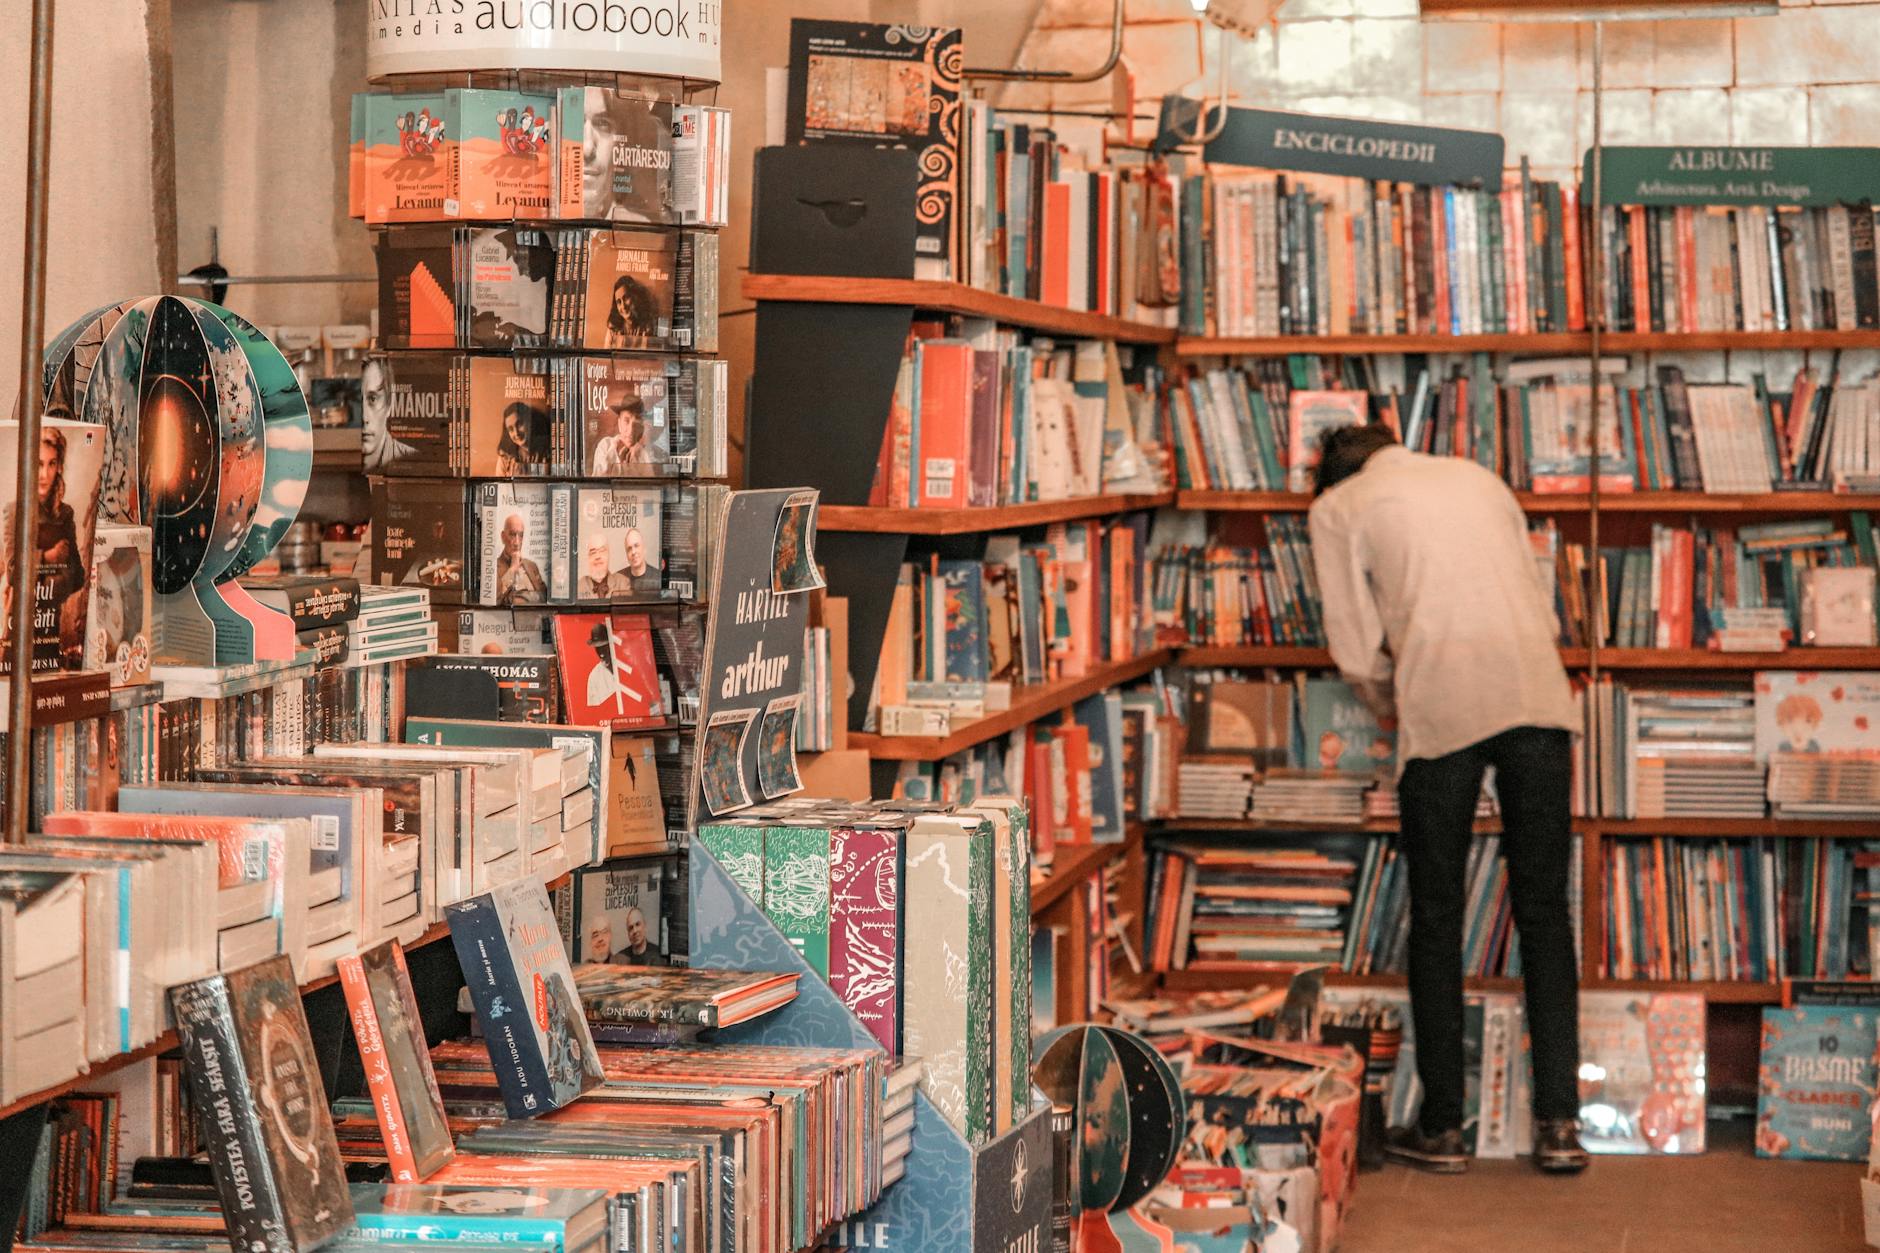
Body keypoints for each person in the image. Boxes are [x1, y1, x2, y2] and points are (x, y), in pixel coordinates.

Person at [1307, 424, 1587, 1176]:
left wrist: (1384, 699)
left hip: (1441, 710)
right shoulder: (1478, 474)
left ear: (1330, 475)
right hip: (1538, 697)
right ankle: (1560, 1124)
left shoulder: (1338, 507)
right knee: (1545, 911)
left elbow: (1354, 643)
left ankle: (1443, 1130)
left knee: (1435, 916)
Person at [360, 357, 414, 470]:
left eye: (373, 399)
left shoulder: (412, 459)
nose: (364, 417)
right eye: (356, 399)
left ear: (390, 403)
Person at [493, 513, 545, 606]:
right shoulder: (493, 567)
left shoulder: (531, 566)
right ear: (503, 537)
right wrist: (512, 569)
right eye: (512, 535)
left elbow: (545, 597)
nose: (517, 542)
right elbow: (494, 599)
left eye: (520, 535)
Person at [589, 397, 649, 475]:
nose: (631, 430)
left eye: (636, 423)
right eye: (626, 421)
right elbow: (597, 482)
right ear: (619, 423)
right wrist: (613, 450)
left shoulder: (643, 454)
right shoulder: (605, 445)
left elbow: (650, 485)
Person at [604, 275, 658, 349]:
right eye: (619, 302)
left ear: (635, 297)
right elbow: (606, 357)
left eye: (626, 298)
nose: (623, 306)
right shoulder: (613, 328)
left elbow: (648, 357)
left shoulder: (648, 326)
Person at [579, 534, 631, 599]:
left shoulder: (623, 583)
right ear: (588, 558)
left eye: (602, 551)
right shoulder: (579, 587)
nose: (597, 556)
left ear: (608, 555)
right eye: (593, 552)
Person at [617, 527, 661, 594]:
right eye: (629, 549)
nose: (633, 552)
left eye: (636, 546)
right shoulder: (618, 579)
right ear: (626, 554)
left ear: (644, 548)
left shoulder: (658, 577)